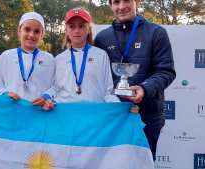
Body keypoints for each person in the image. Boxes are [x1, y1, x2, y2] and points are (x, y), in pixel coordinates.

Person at [94, 0, 176, 160]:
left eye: (126, 0)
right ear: (110, 5)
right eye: (116, 2)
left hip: (147, 118)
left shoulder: (156, 33)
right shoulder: (102, 38)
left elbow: (166, 71)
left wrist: (144, 89)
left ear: (137, 2)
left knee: (142, 164)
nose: (121, 6)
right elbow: (97, 78)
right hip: (113, 119)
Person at [49, 7, 120, 104]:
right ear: (66, 30)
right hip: (67, 114)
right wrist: (48, 100)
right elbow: (55, 89)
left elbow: (108, 92)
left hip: (94, 113)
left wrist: (121, 108)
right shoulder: (58, 59)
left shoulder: (101, 55)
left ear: (89, 29)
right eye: (72, 26)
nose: (77, 31)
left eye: (81, 26)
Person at [0, 12, 55, 110]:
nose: (31, 35)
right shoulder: (6, 56)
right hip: (12, 114)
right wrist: (6, 94)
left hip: (39, 115)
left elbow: (56, 87)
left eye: (36, 31)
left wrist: (46, 97)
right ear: (19, 31)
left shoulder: (49, 59)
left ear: (42, 35)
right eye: (27, 29)